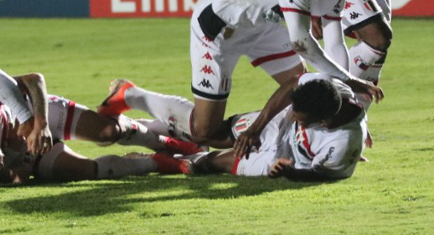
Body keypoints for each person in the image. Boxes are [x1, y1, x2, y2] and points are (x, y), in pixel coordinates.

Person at [134, 0, 381, 159]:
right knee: (204, 130)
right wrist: (350, 81)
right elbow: (301, 41)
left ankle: (321, 144)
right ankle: (134, 95)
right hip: (219, 29)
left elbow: (335, 43)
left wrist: (351, 106)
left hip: (264, 28)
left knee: (302, 87)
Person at [100, 73, 368, 181]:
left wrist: (291, 172)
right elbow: (292, 85)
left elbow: (324, 175)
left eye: (302, 118)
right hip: (276, 125)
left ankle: (160, 153)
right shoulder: (330, 90)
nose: (296, 117)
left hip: (286, 159)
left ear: (323, 122)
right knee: (208, 132)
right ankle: (131, 95)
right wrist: (256, 129)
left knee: (208, 164)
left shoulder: (344, 142)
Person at [0, 85, 196, 186]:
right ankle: (157, 162)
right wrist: (28, 158)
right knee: (86, 170)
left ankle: (168, 143)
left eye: (0, 156)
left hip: (36, 113)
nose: (3, 160)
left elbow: (33, 80)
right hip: (32, 150)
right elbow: (15, 178)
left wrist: (39, 125)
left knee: (107, 131)